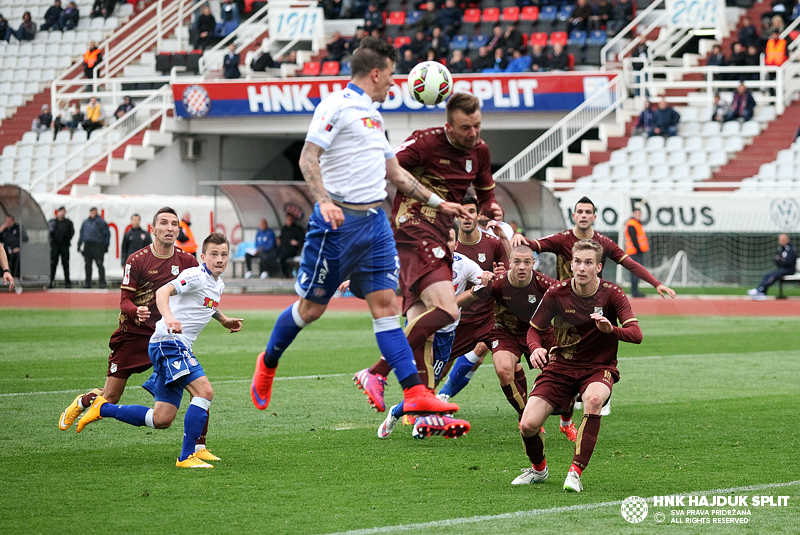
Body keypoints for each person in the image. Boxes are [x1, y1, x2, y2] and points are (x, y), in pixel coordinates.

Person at [250, 37, 465, 422]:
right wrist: (324, 200)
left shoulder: (375, 116)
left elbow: (394, 172)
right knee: (311, 309)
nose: (393, 84)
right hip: (337, 225)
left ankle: (415, 392)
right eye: (391, 75)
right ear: (376, 72)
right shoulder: (335, 105)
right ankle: (267, 362)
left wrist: (438, 203)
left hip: (375, 225)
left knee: (387, 307)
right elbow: (308, 156)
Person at [353, 94, 503, 424]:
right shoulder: (423, 143)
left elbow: (486, 192)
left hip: (437, 236)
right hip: (412, 228)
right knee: (448, 311)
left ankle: (423, 408)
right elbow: (386, 167)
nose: (473, 133)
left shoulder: (480, 151)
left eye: (477, 125)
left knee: (423, 322)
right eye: (466, 127)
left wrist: (491, 207)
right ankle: (377, 372)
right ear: (448, 125)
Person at [60, 208, 239, 462]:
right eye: (164, 223)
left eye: (174, 224)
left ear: (179, 230)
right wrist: (148, 313)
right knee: (117, 394)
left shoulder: (190, 263)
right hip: (139, 334)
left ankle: (199, 447)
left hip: (171, 338)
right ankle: (91, 401)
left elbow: (203, 300)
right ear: (152, 230)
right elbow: (131, 299)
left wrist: (223, 319)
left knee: (164, 417)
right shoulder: (138, 259)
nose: (170, 228)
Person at [511, 196, 675, 428]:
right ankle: (566, 415)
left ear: (594, 217)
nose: (585, 215)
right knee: (561, 360)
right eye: (581, 211)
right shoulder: (562, 239)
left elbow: (629, 263)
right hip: (563, 309)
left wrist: (655, 283)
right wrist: (518, 238)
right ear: (574, 215)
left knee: (592, 354)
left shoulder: (603, 243)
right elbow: (533, 246)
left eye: (589, 211)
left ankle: (596, 388)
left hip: (594, 307)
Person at [513, 239, 643, 491]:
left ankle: (575, 472)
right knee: (528, 425)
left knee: (594, 400)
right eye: (578, 262)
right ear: (571, 265)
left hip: (598, 367)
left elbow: (636, 334)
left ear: (598, 267)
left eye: (588, 263)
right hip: (561, 366)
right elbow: (534, 331)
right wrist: (536, 347)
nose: (582, 268)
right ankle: (539, 470)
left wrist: (611, 329)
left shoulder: (612, 293)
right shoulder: (557, 293)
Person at [376, 226, 491, 440]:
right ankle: (421, 422)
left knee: (431, 385)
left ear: (456, 244)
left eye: (449, 239)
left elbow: (485, 279)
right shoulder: (423, 261)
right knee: (423, 382)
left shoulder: (463, 264)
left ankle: (395, 412)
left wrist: (488, 277)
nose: (445, 243)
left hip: (447, 333)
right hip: (424, 329)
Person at [455, 245, 556, 418]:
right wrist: (445, 307)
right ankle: (525, 416)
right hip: (506, 332)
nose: (522, 266)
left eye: (526, 262)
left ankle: (566, 421)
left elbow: (570, 299)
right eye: (517, 262)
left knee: (561, 374)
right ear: (510, 263)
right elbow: (468, 297)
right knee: (503, 370)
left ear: (533, 263)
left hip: (539, 331)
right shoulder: (498, 283)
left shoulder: (545, 284)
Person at [748, 234, 797, 300]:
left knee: (773, 276)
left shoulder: (791, 249)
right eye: (780, 240)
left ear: (787, 240)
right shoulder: (780, 249)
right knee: (768, 275)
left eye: (783, 240)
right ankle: (760, 291)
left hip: (789, 270)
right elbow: (776, 259)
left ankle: (761, 291)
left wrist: (780, 260)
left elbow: (788, 262)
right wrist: (781, 260)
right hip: (782, 269)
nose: (781, 241)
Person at [77, 206, 110, 288]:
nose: (93, 214)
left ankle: (102, 282)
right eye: (92, 212)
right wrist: (79, 244)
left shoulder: (101, 222)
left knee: (99, 264)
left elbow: (107, 234)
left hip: (98, 245)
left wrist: (106, 245)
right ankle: (87, 282)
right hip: (88, 245)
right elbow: (82, 234)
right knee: (88, 265)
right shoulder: (85, 222)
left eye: (95, 212)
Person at [624, 208, 649, 298]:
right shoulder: (632, 224)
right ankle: (634, 291)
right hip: (634, 252)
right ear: (633, 214)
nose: (639, 216)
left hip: (637, 251)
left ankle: (635, 290)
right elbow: (633, 238)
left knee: (638, 272)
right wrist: (638, 249)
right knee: (635, 272)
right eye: (637, 214)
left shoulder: (637, 224)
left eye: (640, 214)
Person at [48, 206, 74, 288]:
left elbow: (71, 232)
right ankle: (50, 281)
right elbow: (49, 233)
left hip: (64, 245)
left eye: (63, 212)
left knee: (65, 264)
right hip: (55, 245)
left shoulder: (68, 223)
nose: (61, 213)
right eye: (60, 212)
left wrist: (67, 239)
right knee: (53, 264)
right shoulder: (52, 222)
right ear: (57, 212)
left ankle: (67, 282)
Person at [276, 205, 305, 278]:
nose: (288, 221)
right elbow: (281, 237)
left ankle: (285, 275)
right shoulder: (284, 228)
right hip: (282, 249)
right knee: (272, 255)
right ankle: (276, 273)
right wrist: (278, 239)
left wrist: (297, 242)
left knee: (281, 258)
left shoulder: (297, 229)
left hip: (292, 250)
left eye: (290, 219)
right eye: (287, 219)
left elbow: (303, 239)